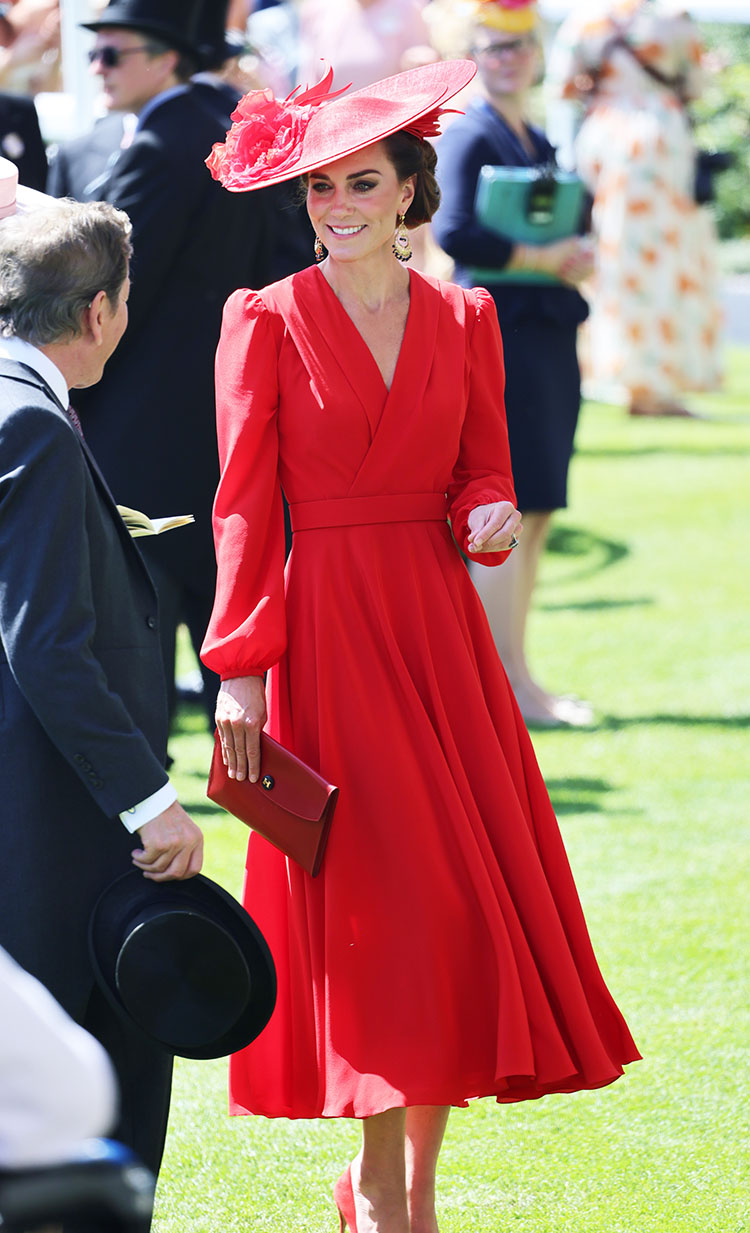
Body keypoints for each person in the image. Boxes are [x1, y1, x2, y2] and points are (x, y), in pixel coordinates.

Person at [200, 58, 640, 1233]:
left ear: (409, 193)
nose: (335, 208)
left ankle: (403, 1191)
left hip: (440, 636)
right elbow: (240, 507)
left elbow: (480, 473)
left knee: (444, 908)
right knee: (374, 913)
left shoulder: (468, 316)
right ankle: (388, 1193)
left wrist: (486, 517)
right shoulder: (265, 321)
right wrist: (240, 668)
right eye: (317, 191)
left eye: (360, 184)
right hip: (330, 636)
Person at [0, 184, 203, 1209]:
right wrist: (149, 798)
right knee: (88, 1111)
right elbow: (46, 644)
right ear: (100, 311)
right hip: (52, 818)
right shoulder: (31, 424)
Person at [47, 0, 273, 733]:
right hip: (236, 420)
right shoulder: (240, 124)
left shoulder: (166, 137)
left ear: (168, 56)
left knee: (136, 659)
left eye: (113, 53)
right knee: (238, 658)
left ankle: (150, 827)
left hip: (145, 433)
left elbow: (97, 293)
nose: (97, 69)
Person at [427, 0, 594, 727]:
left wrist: (576, 254)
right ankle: (505, 685)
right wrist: (540, 256)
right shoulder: (470, 134)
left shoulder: (537, 133)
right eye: (493, 47)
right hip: (504, 341)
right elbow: (456, 227)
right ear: (473, 54)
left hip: (546, 335)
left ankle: (519, 676)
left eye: (519, 47)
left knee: (540, 507)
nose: (508, 58)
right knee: (510, 511)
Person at [545, 0, 722, 417]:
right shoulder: (674, 21)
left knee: (608, 254)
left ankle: (615, 372)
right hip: (661, 137)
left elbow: (562, 87)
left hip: (604, 136)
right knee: (663, 261)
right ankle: (653, 384)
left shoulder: (586, 19)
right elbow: (695, 86)